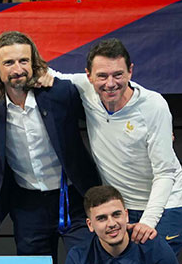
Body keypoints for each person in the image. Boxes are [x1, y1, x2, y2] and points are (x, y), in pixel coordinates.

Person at [0, 32, 99, 259]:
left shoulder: (59, 92)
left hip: (74, 197)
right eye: (8, 63)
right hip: (26, 203)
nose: (17, 69)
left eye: (23, 61)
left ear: (34, 63)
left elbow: (104, 93)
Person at [46, 39, 182, 250]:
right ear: (89, 76)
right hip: (121, 209)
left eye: (118, 75)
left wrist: (148, 221)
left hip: (166, 206)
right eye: (102, 76)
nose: (110, 83)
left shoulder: (153, 106)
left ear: (130, 71)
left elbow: (165, 172)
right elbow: (48, 74)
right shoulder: (85, 88)